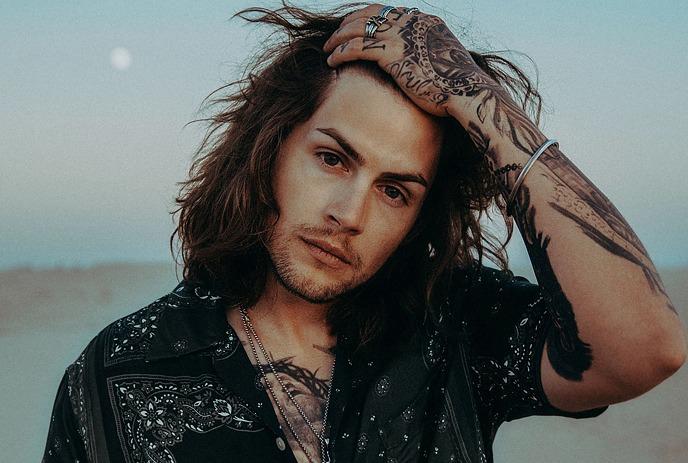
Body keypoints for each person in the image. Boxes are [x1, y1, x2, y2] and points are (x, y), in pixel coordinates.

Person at [42, 2, 687, 462]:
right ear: (270, 147)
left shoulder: (454, 328)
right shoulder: (116, 376)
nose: (349, 214)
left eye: (395, 191)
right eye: (332, 159)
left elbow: (647, 347)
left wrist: (480, 102)